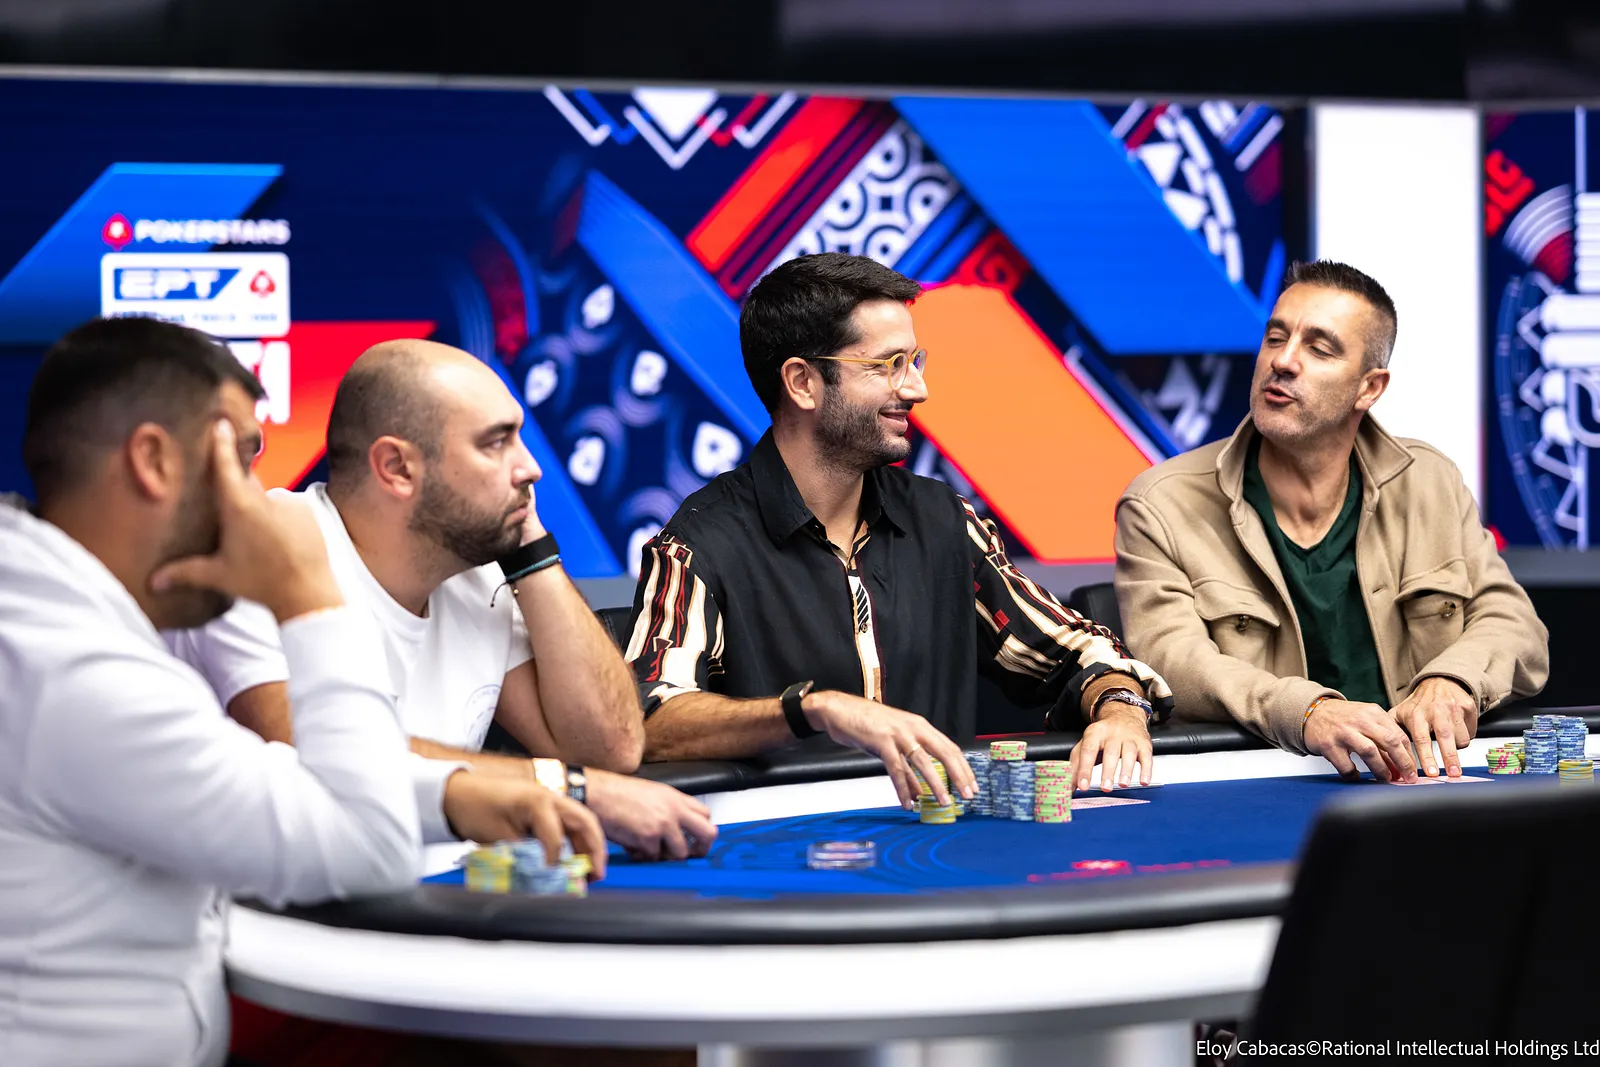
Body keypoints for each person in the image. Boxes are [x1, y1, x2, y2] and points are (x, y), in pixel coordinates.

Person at [0, 318, 603, 1067]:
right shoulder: (73, 672)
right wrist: (308, 592)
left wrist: (454, 794)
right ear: (153, 461)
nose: (257, 502)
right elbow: (367, 845)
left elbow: (265, 776)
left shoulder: (57, 619)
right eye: (236, 461)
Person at [626, 252, 1173, 803]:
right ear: (802, 383)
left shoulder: (944, 521)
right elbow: (649, 717)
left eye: (915, 361)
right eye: (889, 365)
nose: (917, 389)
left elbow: (1077, 649)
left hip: (943, 845)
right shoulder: (697, 545)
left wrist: (1121, 708)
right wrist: (814, 709)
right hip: (789, 847)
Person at [170, 338, 717, 860]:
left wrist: (532, 550)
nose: (531, 468)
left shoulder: (474, 577)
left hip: (426, 890)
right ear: (397, 468)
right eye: (496, 443)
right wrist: (569, 788)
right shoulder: (262, 549)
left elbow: (611, 749)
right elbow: (315, 759)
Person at [1114, 260, 1549, 781]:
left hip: (1422, 784)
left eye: (1319, 349)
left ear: (1369, 388)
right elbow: (1175, 665)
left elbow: (1516, 626)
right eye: (1276, 338)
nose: (1283, 361)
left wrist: (1454, 680)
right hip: (1260, 787)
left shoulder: (1430, 480)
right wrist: (1307, 711)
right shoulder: (1160, 504)